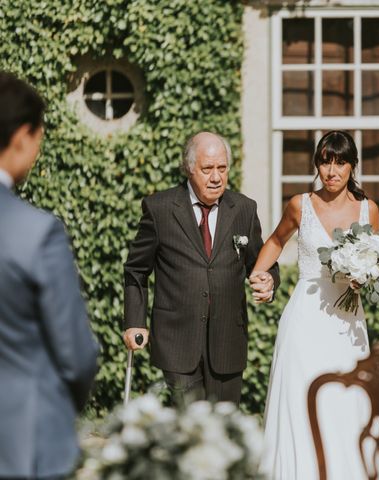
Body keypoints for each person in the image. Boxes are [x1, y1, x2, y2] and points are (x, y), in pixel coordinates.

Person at [254, 130, 379, 479]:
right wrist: (257, 275)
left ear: (353, 166)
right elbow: (276, 241)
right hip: (305, 318)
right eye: (325, 161)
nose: (332, 170)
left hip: (347, 322)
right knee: (298, 399)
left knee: (345, 402)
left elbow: (377, 264)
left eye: (340, 162)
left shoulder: (369, 210)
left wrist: (364, 278)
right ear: (317, 165)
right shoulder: (300, 204)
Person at [123, 132, 279, 406]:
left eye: (222, 168)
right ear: (189, 168)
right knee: (189, 429)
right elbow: (136, 270)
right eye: (207, 169)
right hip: (176, 339)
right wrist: (135, 322)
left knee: (222, 430)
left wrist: (269, 280)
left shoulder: (243, 208)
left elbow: (262, 261)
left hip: (228, 341)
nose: (216, 177)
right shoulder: (160, 209)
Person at [0, 71, 99, 479]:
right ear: (23, 135)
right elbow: (75, 354)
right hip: (23, 440)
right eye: (39, 138)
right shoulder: (35, 232)